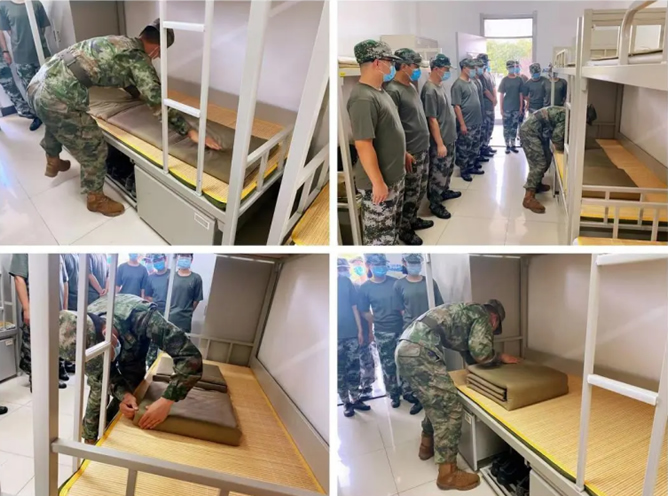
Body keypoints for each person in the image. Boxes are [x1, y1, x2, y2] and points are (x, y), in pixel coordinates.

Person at [26, 19, 221, 218]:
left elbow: (122, 75)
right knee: (95, 147)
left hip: (37, 84)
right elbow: (157, 101)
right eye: (159, 54)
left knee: (54, 119)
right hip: (56, 96)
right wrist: (189, 131)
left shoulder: (119, 42)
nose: (156, 58)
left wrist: (138, 95)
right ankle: (95, 199)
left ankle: (53, 159)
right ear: (157, 49)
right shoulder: (139, 60)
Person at [396, 299, 520, 491]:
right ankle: (448, 474)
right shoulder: (482, 315)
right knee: (449, 409)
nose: (490, 331)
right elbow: (481, 353)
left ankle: (426, 446)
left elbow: (470, 353)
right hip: (420, 351)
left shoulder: (467, 312)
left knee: (435, 401)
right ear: (494, 319)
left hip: (406, 348)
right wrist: (500, 357)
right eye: (493, 329)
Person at [58, 293, 203, 444]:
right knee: (99, 389)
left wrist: (167, 401)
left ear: (108, 336)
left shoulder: (144, 318)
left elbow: (191, 357)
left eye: (101, 356)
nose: (99, 361)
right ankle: (91, 440)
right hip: (114, 335)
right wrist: (124, 395)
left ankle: (112, 426)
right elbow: (102, 377)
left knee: (134, 383)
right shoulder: (77, 334)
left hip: (134, 342)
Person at [347, 40, 406, 245]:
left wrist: (403, 154)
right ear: (377, 63)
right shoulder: (363, 98)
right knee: (379, 241)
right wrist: (378, 183)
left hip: (393, 176)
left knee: (391, 232)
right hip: (379, 183)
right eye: (389, 61)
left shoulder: (380, 92)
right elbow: (363, 145)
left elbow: (389, 130)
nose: (392, 67)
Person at [385, 48, 434, 244]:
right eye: (415, 66)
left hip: (423, 147)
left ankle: (412, 220)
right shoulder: (393, 91)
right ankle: (404, 230)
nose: (418, 70)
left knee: (419, 190)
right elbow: (392, 128)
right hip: (410, 152)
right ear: (404, 66)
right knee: (410, 193)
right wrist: (404, 151)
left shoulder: (411, 87)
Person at [393, 254, 445, 416]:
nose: (415, 266)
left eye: (417, 263)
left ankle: (435, 397)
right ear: (404, 263)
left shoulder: (430, 282)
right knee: (415, 364)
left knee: (432, 363)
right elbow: (401, 310)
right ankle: (418, 398)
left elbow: (439, 307)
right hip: (411, 331)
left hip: (430, 330)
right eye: (411, 263)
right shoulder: (399, 285)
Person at [9, 254, 69, 391]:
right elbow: (18, 278)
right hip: (37, 310)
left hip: (56, 310)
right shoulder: (25, 249)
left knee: (54, 346)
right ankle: (37, 382)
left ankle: (51, 378)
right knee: (34, 348)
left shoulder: (58, 252)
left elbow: (65, 281)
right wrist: (27, 309)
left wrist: (65, 309)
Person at [358, 254, 406, 408]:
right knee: (388, 365)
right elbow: (364, 311)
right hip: (382, 331)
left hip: (402, 329)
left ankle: (408, 391)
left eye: (383, 264)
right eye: (377, 265)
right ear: (369, 266)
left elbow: (404, 305)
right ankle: (394, 394)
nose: (380, 268)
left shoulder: (396, 282)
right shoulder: (365, 288)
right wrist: (377, 320)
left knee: (405, 362)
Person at [0, 0, 51, 131]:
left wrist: (35, 42)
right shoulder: (4, 5)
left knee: (48, 86)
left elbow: (42, 28)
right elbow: (9, 30)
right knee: (30, 89)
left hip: (41, 53)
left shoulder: (35, 3)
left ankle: (53, 115)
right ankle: (38, 116)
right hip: (21, 56)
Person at [145, 254, 203, 368]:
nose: (184, 259)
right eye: (182, 256)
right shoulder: (171, 277)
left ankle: (179, 371)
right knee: (161, 349)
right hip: (167, 317)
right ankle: (155, 370)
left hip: (184, 321)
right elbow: (166, 297)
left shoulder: (196, 278)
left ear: (192, 259)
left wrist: (186, 312)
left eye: (187, 256)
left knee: (182, 351)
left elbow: (196, 300)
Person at [421, 53, 460, 220]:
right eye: (445, 69)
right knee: (438, 173)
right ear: (436, 69)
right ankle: (435, 203)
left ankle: (444, 191)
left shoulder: (439, 86)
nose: (447, 72)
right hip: (441, 140)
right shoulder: (430, 90)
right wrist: (439, 144)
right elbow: (432, 119)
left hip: (449, 137)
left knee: (447, 169)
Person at [337, 259, 371, 417]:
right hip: (335, 336)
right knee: (339, 371)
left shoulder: (346, 282)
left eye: (343, 268)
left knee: (354, 367)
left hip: (351, 333)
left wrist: (360, 330)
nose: (341, 271)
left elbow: (354, 307)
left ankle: (356, 398)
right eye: (338, 268)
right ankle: (346, 402)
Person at [520, 106, 565, 213]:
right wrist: (564, 149)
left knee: (547, 157)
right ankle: (528, 198)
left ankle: (537, 184)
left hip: (538, 131)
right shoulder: (566, 117)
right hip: (529, 132)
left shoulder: (566, 113)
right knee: (539, 164)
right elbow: (557, 138)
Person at [452, 58, 484, 182]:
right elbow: (457, 106)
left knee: (474, 146)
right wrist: (462, 124)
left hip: (476, 121)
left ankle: (471, 166)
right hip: (467, 122)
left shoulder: (472, 82)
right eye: (471, 68)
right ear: (464, 68)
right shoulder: (458, 85)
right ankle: (464, 170)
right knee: (464, 148)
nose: (474, 70)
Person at [498, 60, 523, 154]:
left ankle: (513, 144)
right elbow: (501, 94)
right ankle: (507, 145)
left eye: (514, 67)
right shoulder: (504, 80)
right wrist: (501, 108)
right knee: (506, 127)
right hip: (506, 107)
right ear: (507, 68)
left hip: (516, 107)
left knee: (514, 127)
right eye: (511, 67)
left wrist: (520, 107)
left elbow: (520, 94)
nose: (513, 69)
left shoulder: (519, 80)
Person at [476, 53, 497, 158]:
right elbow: (485, 91)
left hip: (491, 106)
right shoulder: (480, 76)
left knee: (490, 127)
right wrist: (493, 99)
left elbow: (493, 87)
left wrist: (495, 99)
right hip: (485, 106)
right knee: (484, 129)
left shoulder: (489, 74)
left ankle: (486, 145)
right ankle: (482, 149)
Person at [471, 59, 490, 168]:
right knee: (474, 140)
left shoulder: (478, 79)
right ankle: (472, 162)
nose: (482, 69)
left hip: (481, 112)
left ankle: (479, 155)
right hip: (473, 117)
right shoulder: (471, 81)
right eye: (480, 67)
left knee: (481, 136)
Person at [515, 61, 529, 144]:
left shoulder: (524, 78)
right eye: (515, 66)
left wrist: (528, 102)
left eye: (517, 66)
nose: (516, 68)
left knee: (521, 120)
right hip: (513, 103)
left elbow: (528, 91)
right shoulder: (509, 78)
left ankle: (520, 136)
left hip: (522, 102)